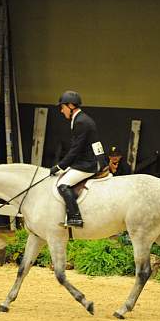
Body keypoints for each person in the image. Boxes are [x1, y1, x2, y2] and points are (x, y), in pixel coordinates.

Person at [50, 90, 106, 227]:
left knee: (62, 185)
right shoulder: (82, 119)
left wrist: (60, 166)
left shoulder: (81, 122)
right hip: (89, 160)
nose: (61, 111)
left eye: (62, 107)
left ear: (70, 106)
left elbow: (75, 150)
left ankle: (75, 217)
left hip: (88, 164)